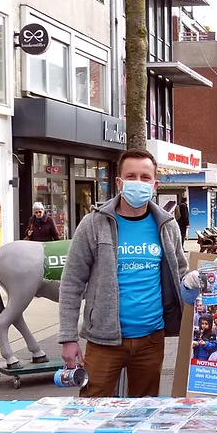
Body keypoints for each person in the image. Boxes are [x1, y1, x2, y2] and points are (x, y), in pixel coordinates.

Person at [59, 149, 188, 397]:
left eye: (145, 177)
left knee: (145, 411)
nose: (138, 182)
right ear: (119, 182)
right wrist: (68, 337)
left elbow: (180, 274)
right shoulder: (94, 223)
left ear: (155, 184)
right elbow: (72, 282)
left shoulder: (167, 226)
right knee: (91, 407)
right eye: (131, 176)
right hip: (103, 340)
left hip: (151, 339)